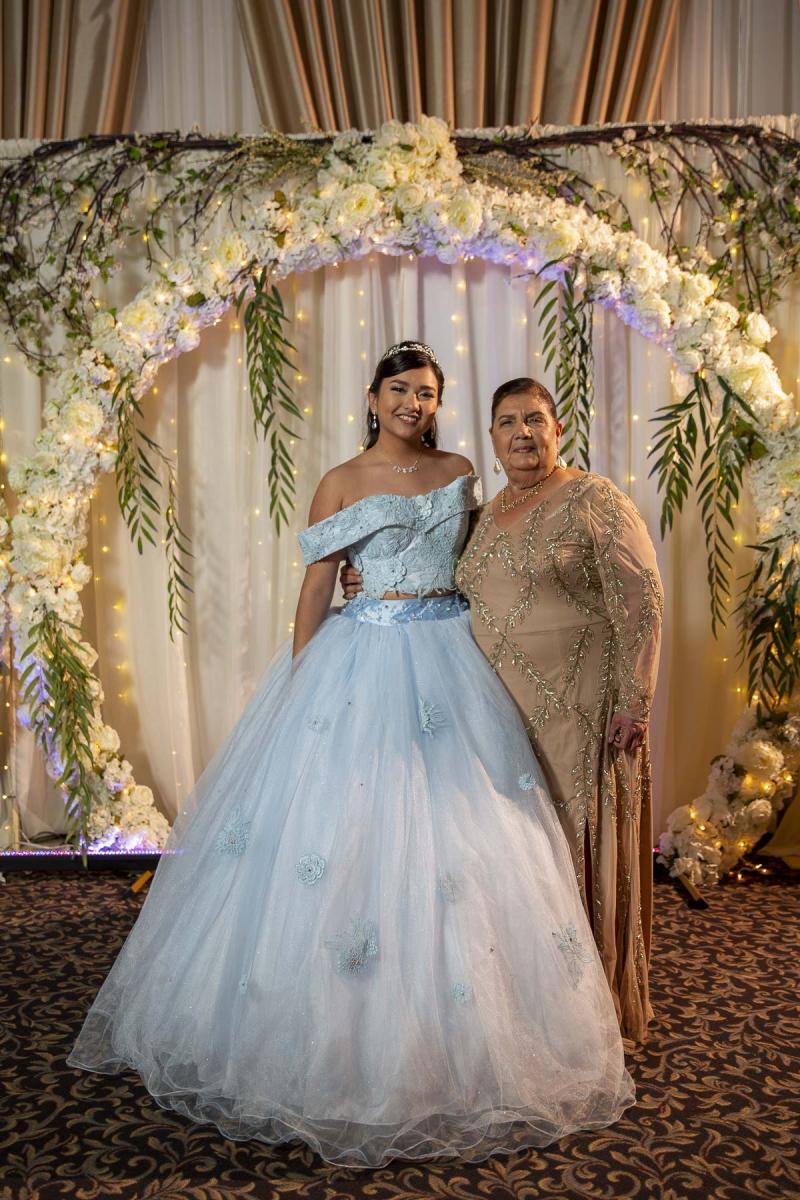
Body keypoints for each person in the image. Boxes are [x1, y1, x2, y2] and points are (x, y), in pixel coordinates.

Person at [67, 344, 635, 1169]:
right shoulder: (340, 480)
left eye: (427, 392)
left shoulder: (461, 469)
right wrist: (303, 684)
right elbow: (316, 584)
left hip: (450, 653)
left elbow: (484, 562)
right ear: (372, 397)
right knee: (353, 830)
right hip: (363, 656)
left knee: (464, 831)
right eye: (399, 389)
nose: (413, 403)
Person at [343, 376, 663, 1046]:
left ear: (557, 429)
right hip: (498, 715)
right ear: (491, 439)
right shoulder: (485, 515)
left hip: (582, 709)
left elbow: (645, 599)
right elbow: (439, 577)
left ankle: (594, 1011)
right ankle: (533, 1006)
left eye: (535, 420)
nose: (523, 434)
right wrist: (371, 577)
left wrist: (635, 701)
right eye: (509, 422)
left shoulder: (594, 499)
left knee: (577, 848)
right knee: (520, 860)